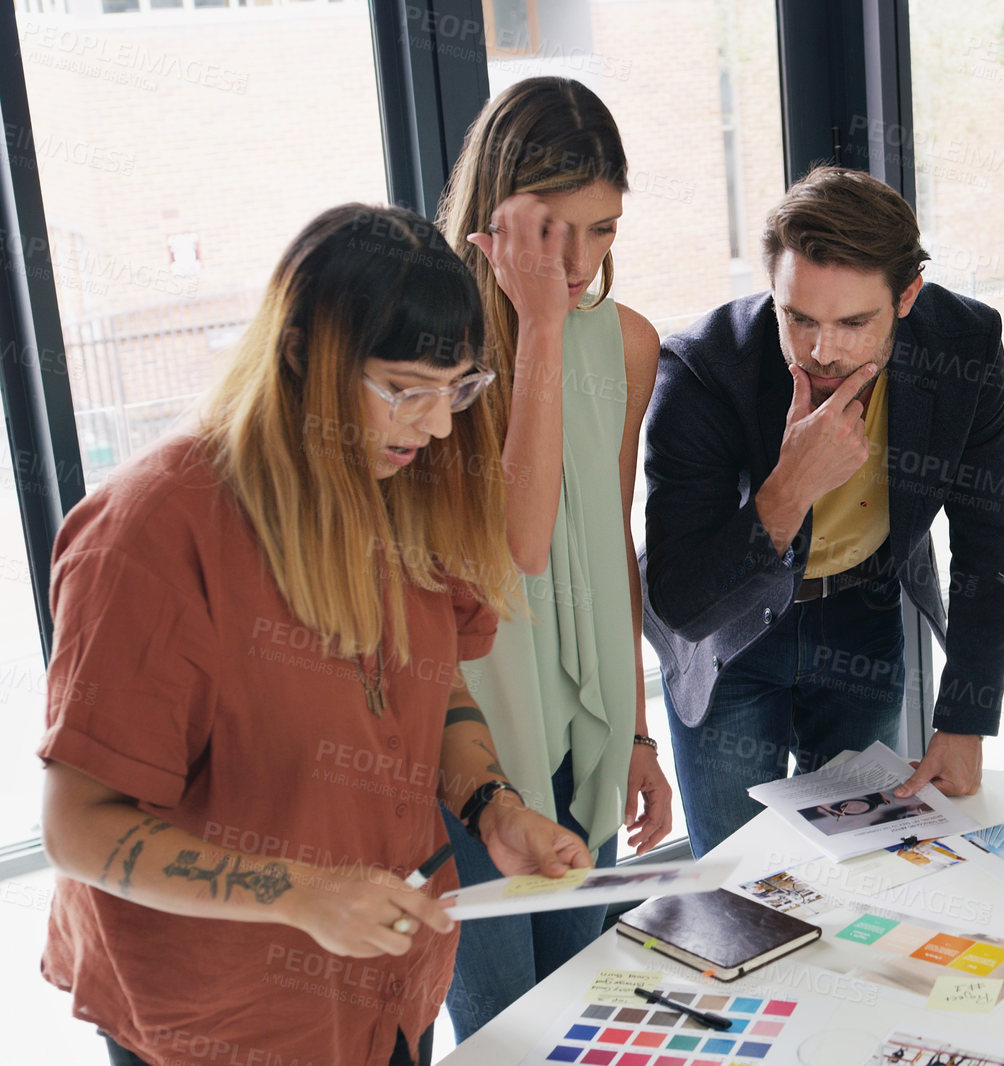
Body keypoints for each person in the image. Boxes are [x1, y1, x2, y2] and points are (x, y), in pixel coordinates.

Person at [37, 204, 593, 1066]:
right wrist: (298, 893)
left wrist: (493, 806)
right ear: (299, 353)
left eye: (457, 392)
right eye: (404, 390)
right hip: (221, 1019)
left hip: (388, 995)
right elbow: (79, 828)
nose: (438, 427)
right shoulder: (148, 534)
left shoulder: (406, 484)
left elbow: (434, 679)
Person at [641, 166, 1004, 856]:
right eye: (799, 318)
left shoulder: (962, 343)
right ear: (773, 291)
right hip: (730, 640)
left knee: (868, 862)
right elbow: (679, 604)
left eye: (854, 322)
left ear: (907, 296)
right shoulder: (702, 368)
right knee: (741, 880)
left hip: (863, 616)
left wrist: (965, 720)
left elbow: (986, 542)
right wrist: (788, 489)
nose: (823, 350)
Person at [433, 76, 674, 1039]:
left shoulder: (627, 343)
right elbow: (507, 553)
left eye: (603, 230)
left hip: (587, 735)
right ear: (494, 217)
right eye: (551, 233)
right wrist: (532, 326)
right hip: (468, 749)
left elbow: (610, 543)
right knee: (500, 1028)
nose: (577, 263)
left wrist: (642, 735)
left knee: (588, 1015)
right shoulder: (429, 353)